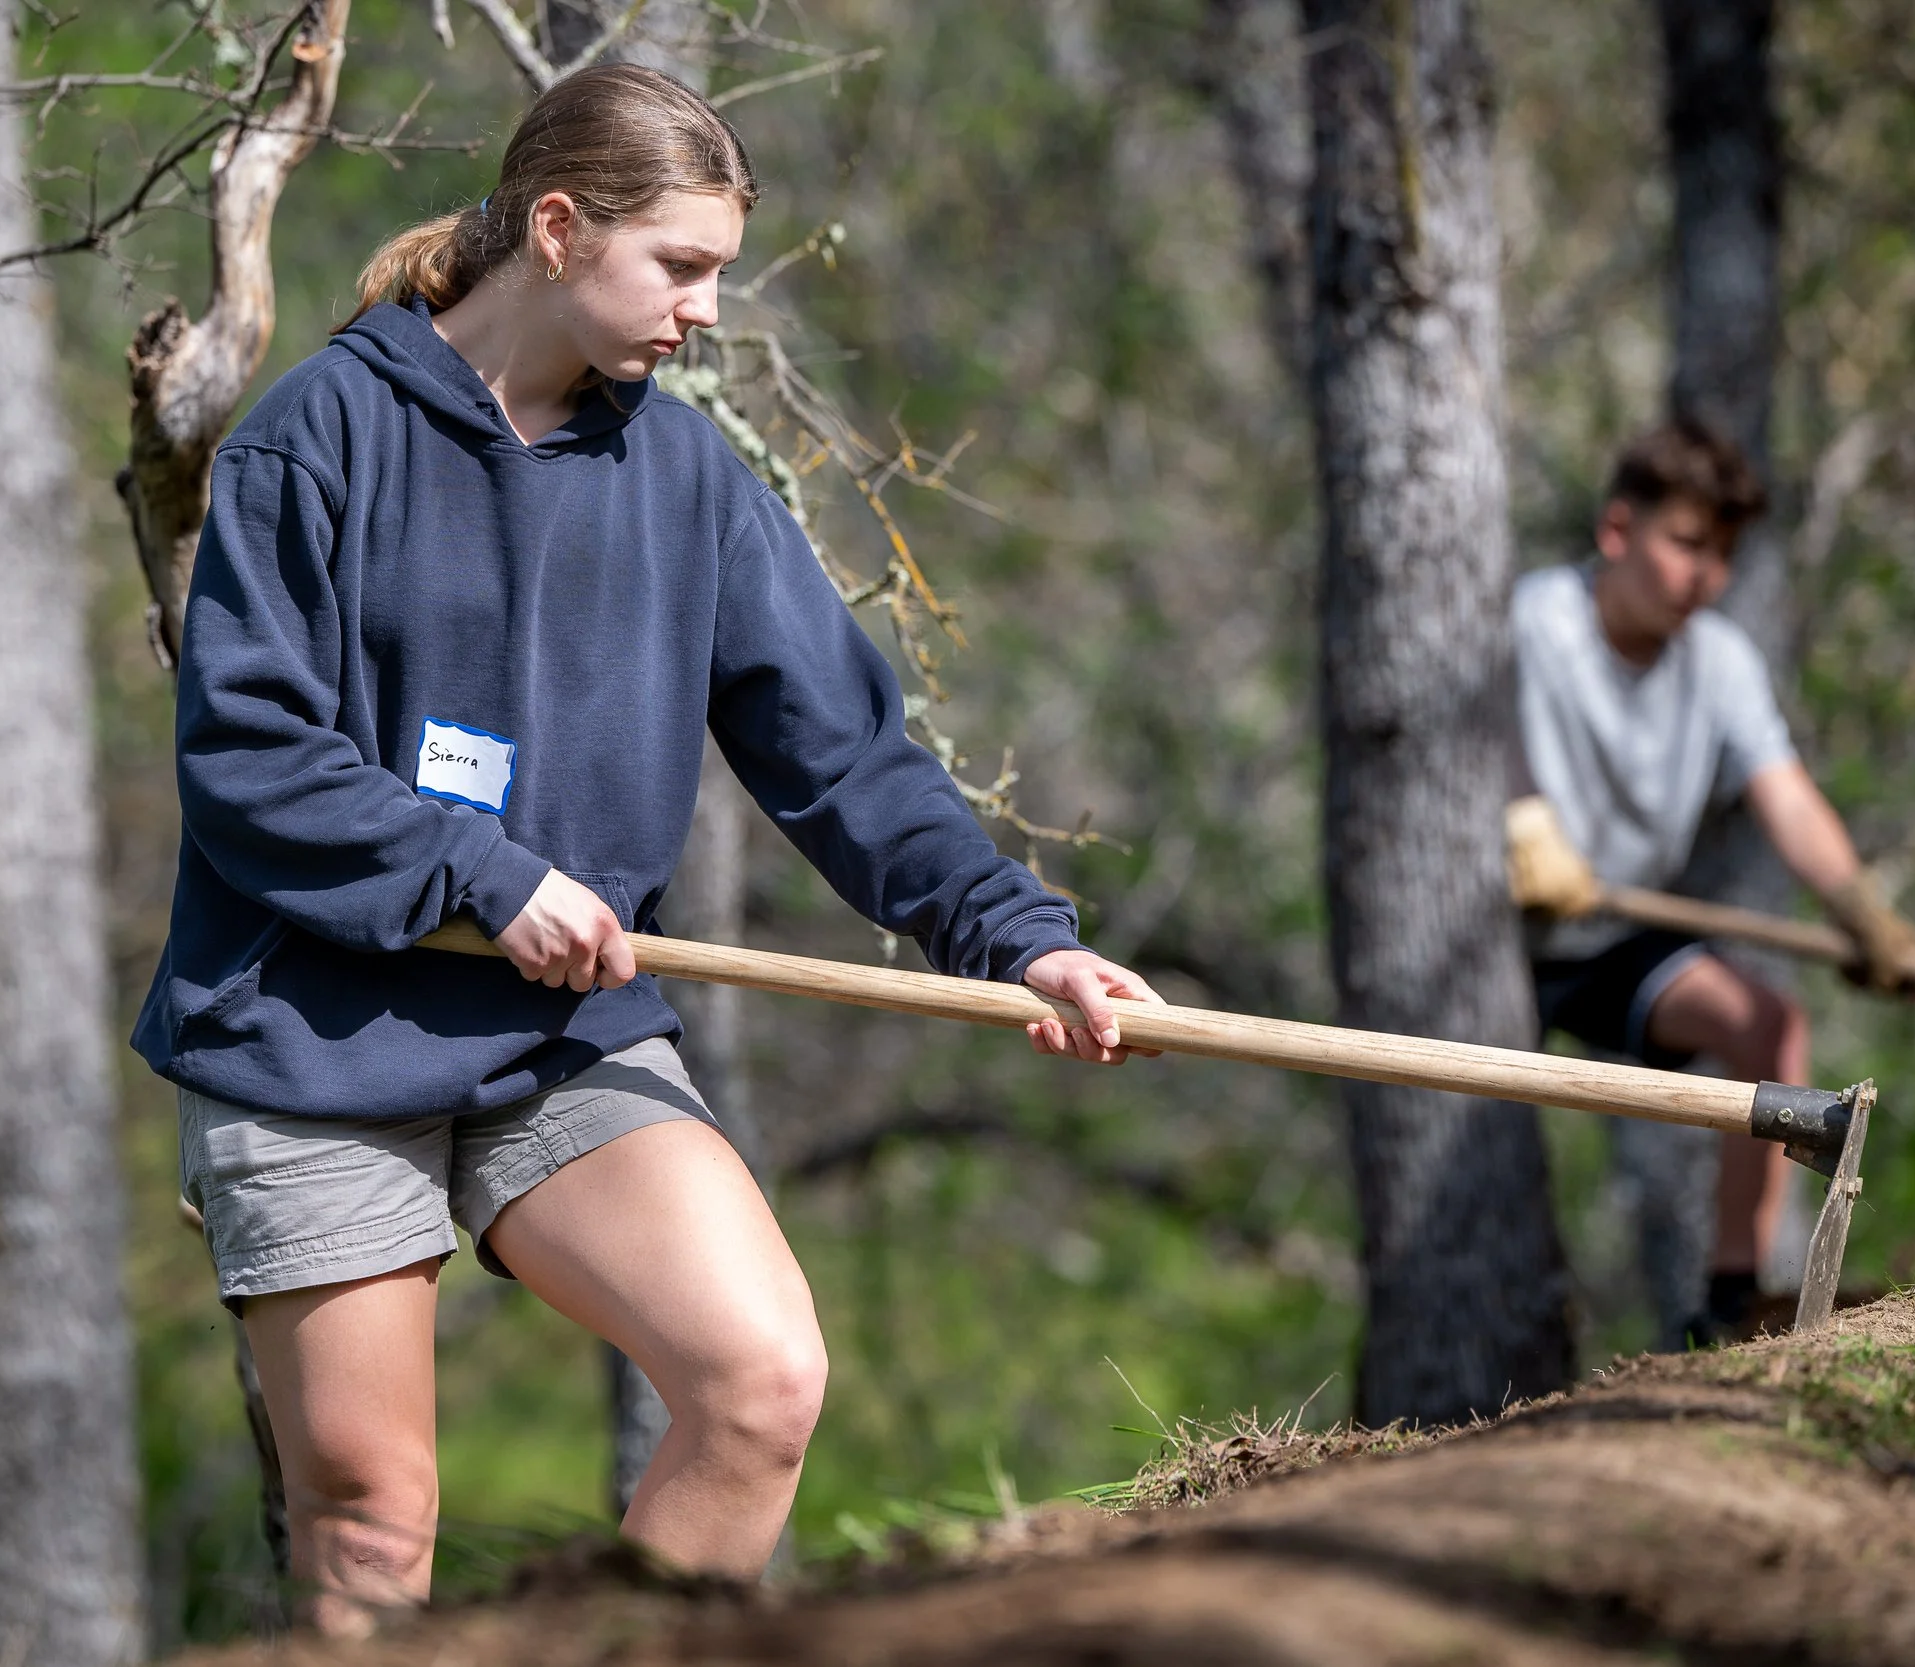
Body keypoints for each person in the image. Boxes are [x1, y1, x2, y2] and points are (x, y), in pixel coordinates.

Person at [130, 64, 1159, 1634]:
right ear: (555, 228)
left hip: (557, 1033)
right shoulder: (312, 442)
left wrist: (1015, 934)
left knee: (758, 1381)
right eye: (681, 265)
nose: (704, 310)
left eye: (719, 271)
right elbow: (250, 761)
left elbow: (846, 756)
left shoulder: (687, 481)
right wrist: (485, 874)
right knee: (370, 1515)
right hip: (310, 1033)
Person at [1502, 419, 1915, 1340]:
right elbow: (1458, 736)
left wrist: (1857, 906)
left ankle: (1733, 1302)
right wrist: (1522, 818)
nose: (1706, 575)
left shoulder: (1720, 663)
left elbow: (1789, 799)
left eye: (1722, 553)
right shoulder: (1536, 618)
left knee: (1772, 1027)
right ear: (1618, 530)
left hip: (1613, 938)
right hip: (1488, 948)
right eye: (1687, 544)